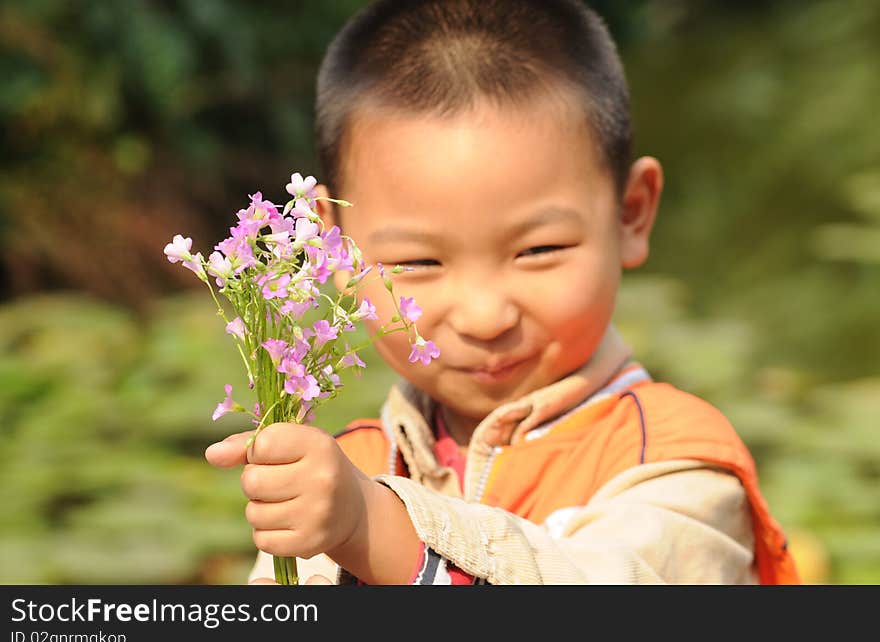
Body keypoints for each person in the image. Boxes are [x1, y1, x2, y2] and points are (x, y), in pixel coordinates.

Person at [205, 0, 800, 585]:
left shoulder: (675, 464)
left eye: (538, 251)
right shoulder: (344, 469)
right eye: (416, 260)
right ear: (334, 245)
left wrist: (374, 533)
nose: (485, 316)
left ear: (631, 213)